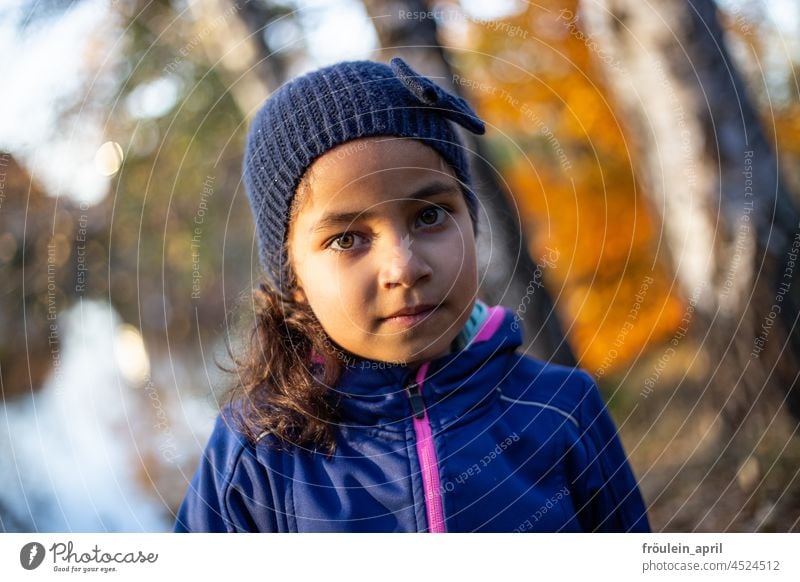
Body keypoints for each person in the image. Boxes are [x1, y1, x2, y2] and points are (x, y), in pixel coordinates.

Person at [173, 57, 650, 533]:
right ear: (293, 278)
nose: (404, 268)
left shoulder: (562, 407)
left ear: (470, 219)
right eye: (346, 239)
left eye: (429, 215)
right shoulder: (256, 455)